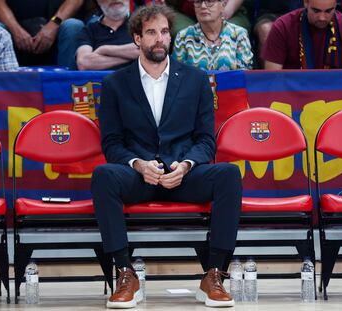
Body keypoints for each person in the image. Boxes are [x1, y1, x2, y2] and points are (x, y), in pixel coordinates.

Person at [91, 4, 242, 309]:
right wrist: (138, 164)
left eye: (163, 32)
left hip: (182, 174)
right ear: (137, 38)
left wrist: (186, 165)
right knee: (104, 175)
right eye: (151, 32)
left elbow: (205, 141)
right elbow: (112, 143)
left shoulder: (196, 79)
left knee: (228, 174)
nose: (159, 39)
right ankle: (125, 274)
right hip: (139, 176)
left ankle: (214, 274)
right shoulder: (115, 84)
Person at [262, 0, 342, 69]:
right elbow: (273, 78)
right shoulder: (283, 26)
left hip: (337, 94)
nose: (322, 18)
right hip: (292, 95)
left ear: (335, 5)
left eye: (328, 11)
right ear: (305, 3)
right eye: (316, 11)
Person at [0, 0, 84, 67]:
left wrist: (53, 25)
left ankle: (67, 85)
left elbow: (75, 1)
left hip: (56, 26)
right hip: (13, 30)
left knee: (74, 26)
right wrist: (16, 30)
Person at [172, 0, 253, 70]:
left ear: (223, 5)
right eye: (198, 1)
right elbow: (178, 75)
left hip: (230, 87)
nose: (203, 6)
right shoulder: (183, 36)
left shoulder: (239, 34)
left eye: (210, 1)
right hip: (194, 88)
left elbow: (245, 74)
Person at [76, 0, 139, 70]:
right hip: (100, 80)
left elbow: (146, 50)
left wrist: (104, 50)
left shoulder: (141, 23)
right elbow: (83, 63)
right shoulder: (89, 30)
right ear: (98, 2)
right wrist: (132, 56)